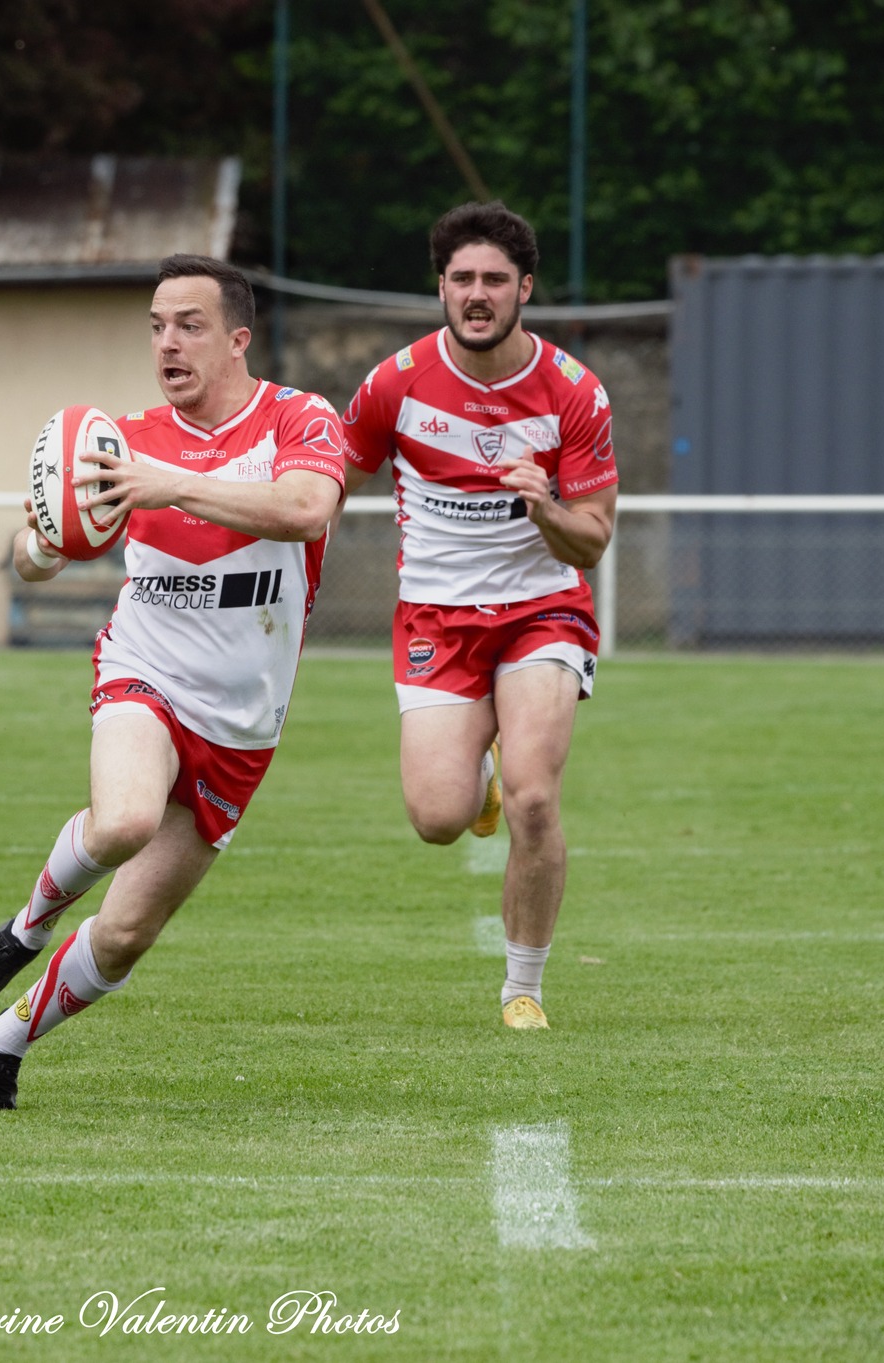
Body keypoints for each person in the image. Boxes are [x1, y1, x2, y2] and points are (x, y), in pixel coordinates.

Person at [0, 254, 347, 1109]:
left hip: (242, 723)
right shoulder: (121, 439)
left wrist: (174, 486)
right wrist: (43, 539)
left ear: (238, 339)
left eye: (190, 325)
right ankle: (23, 931)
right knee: (123, 818)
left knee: (125, 934)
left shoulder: (298, 418)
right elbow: (33, 553)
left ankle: (0, 1041)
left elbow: (307, 509)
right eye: (157, 326)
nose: (168, 343)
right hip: (144, 672)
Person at [340, 202, 617, 1030]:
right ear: (441, 287)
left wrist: (545, 507)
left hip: (542, 610)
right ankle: (478, 779)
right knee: (437, 818)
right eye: (462, 277)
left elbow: (593, 537)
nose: (477, 293)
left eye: (495, 278)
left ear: (525, 288)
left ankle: (522, 987)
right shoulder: (394, 384)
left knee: (534, 800)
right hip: (436, 617)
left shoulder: (574, 392)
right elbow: (326, 487)